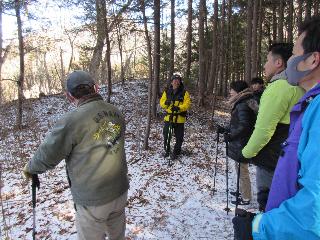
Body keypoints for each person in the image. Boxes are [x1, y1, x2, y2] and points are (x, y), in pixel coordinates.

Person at [23, 70, 129, 240]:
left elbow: (48, 154)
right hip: (120, 191)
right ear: (96, 88)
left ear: (69, 96)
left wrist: (31, 168)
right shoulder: (115, 112)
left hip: (93, 199)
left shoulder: (71, 121)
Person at [252, 15, 320, 240]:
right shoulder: (311, 102)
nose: (291, 59)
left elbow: (314, 208)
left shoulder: (315, 108)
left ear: (312, 60)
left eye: (295, 53)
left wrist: (260, 228)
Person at [241, 43, 305, 211]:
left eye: (267, 60)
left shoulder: (278, 88)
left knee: (269, 206)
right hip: (290, 161)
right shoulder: (298, 86)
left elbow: (263, 130)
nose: (264, 65)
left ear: (278, 63)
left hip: (272, 161)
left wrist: (246, 152)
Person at [223, 81, 256, 205]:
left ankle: (246, 197)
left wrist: (232, 136)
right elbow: (237, 122)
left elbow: (245, 125)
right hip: (241, 141)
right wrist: (226, 129)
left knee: (242, 169)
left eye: (231, 89)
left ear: (238, 90)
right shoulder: (244, 101)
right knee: (239, 168)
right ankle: (242, 191)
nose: (230, 92)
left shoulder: (243, 104)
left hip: (242, 142)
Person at [160, 73, 191, 160]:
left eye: (178, 80)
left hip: (179, 119)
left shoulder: (185, 93)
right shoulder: (167, 92)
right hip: (169, 118)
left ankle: (176, 152)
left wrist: (178, 108)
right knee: (166, 134)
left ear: (180, 82)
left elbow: (187, 104)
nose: (176, 81)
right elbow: (161, 102)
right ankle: (167, 151)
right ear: (171, 81)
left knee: (179, 137)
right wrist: (165, 104)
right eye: (174, 79)